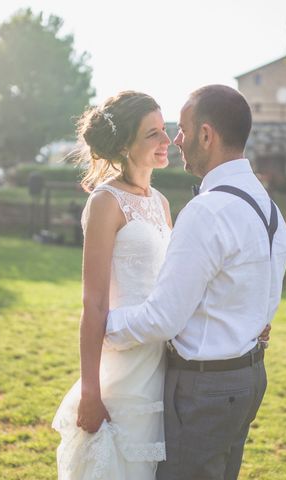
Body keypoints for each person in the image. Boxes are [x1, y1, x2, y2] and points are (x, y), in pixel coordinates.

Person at [104, 85, 286, 480]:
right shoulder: (268, 208)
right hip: (249, 378)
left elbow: (162, 319)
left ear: (207, 135)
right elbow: (266, 297)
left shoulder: (207, 211)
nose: (177, 140)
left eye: (184, 130)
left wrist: (104, 327)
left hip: (203, 391)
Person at [52, 91, 173, 479]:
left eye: (164, 130)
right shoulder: (106, 202)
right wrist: (91, 391)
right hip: (123, 368)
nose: (166, 140)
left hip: (165, 363)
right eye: (152, 134)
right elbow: (93, 304)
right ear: (124, 145)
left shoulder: (162, 203)